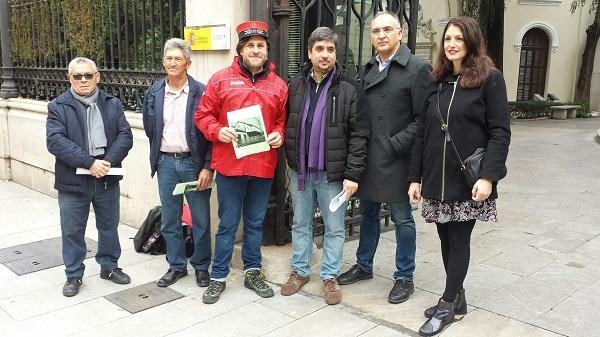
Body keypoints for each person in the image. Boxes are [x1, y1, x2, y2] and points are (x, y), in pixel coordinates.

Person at [407, 16, 510, 336]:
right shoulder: (436, 80)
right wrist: (415, 178)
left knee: (458, 238)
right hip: (436, 176)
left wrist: (489, 176)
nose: (451, 44)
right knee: (443, 237)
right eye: (448, 39)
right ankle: (459, 298)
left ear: (472, 42)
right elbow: (422, 133)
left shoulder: (490, 79)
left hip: (468, 180)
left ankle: (448, 303)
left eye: (459, 39)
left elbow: (500, 132)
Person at [337, 11, 431, 305]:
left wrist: (396, 144)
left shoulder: (418, 69)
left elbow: (424, 118)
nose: (381, 35)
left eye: (387, 30)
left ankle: (405, 276)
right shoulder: (366, 69)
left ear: (400, 33)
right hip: (369, 158)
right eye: (376, 31)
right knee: (367, 214)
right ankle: (364, 265)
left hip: (398, 158)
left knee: (402, 219)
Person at [195, 20, 287, 304]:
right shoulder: (220, 79)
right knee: (228, 223)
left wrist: (278, 134)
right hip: (230, 166)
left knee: (256, 223)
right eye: (251, 46)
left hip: (262, 166)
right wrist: (217, 130)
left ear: (266, 50)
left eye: (260, 46)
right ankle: (219, 276)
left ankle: (252, 272)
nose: (256, 50)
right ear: (241, 50)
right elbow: (202, 115)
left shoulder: (279, 85)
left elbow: (282, 121)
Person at [282, 27, 369, 305]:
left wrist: (353, 173)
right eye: (319, 49)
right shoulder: (295, 85)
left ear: (335, 53)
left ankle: (330, 275)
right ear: (310, 52)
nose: (325, 54)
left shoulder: (349, 88)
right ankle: (300, 271)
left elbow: (359, 135)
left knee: (334, 227)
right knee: (300, 223)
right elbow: (286, 123)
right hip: (301, 172)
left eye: (330, 49)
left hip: (333, 174)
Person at [46, 57, 133, 297]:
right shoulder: (58, 106)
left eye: (88, 75)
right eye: (77, 76)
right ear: (69, 78)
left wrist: (105, 164)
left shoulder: (112, 103)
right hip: (73, 181)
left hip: (106, 177)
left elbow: (125, 135)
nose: (83, 80)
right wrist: (89, 162)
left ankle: (110, 266)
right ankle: (74, 274)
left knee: (109, 226)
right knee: (72, 230)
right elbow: (55, 141)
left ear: (98, 77)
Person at [142, 38, 213, 288]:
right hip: (166, 165)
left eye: (178, 59)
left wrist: (207, 166)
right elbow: (150, 128)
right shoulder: (153, 93)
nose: (173, 63)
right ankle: (176, 266)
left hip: (193, 165)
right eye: (169, 58)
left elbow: (210, 135)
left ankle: (202, 267)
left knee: (201, 219)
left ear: (188, 63)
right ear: (163, 62)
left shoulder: (201, 92)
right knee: (170, 220)